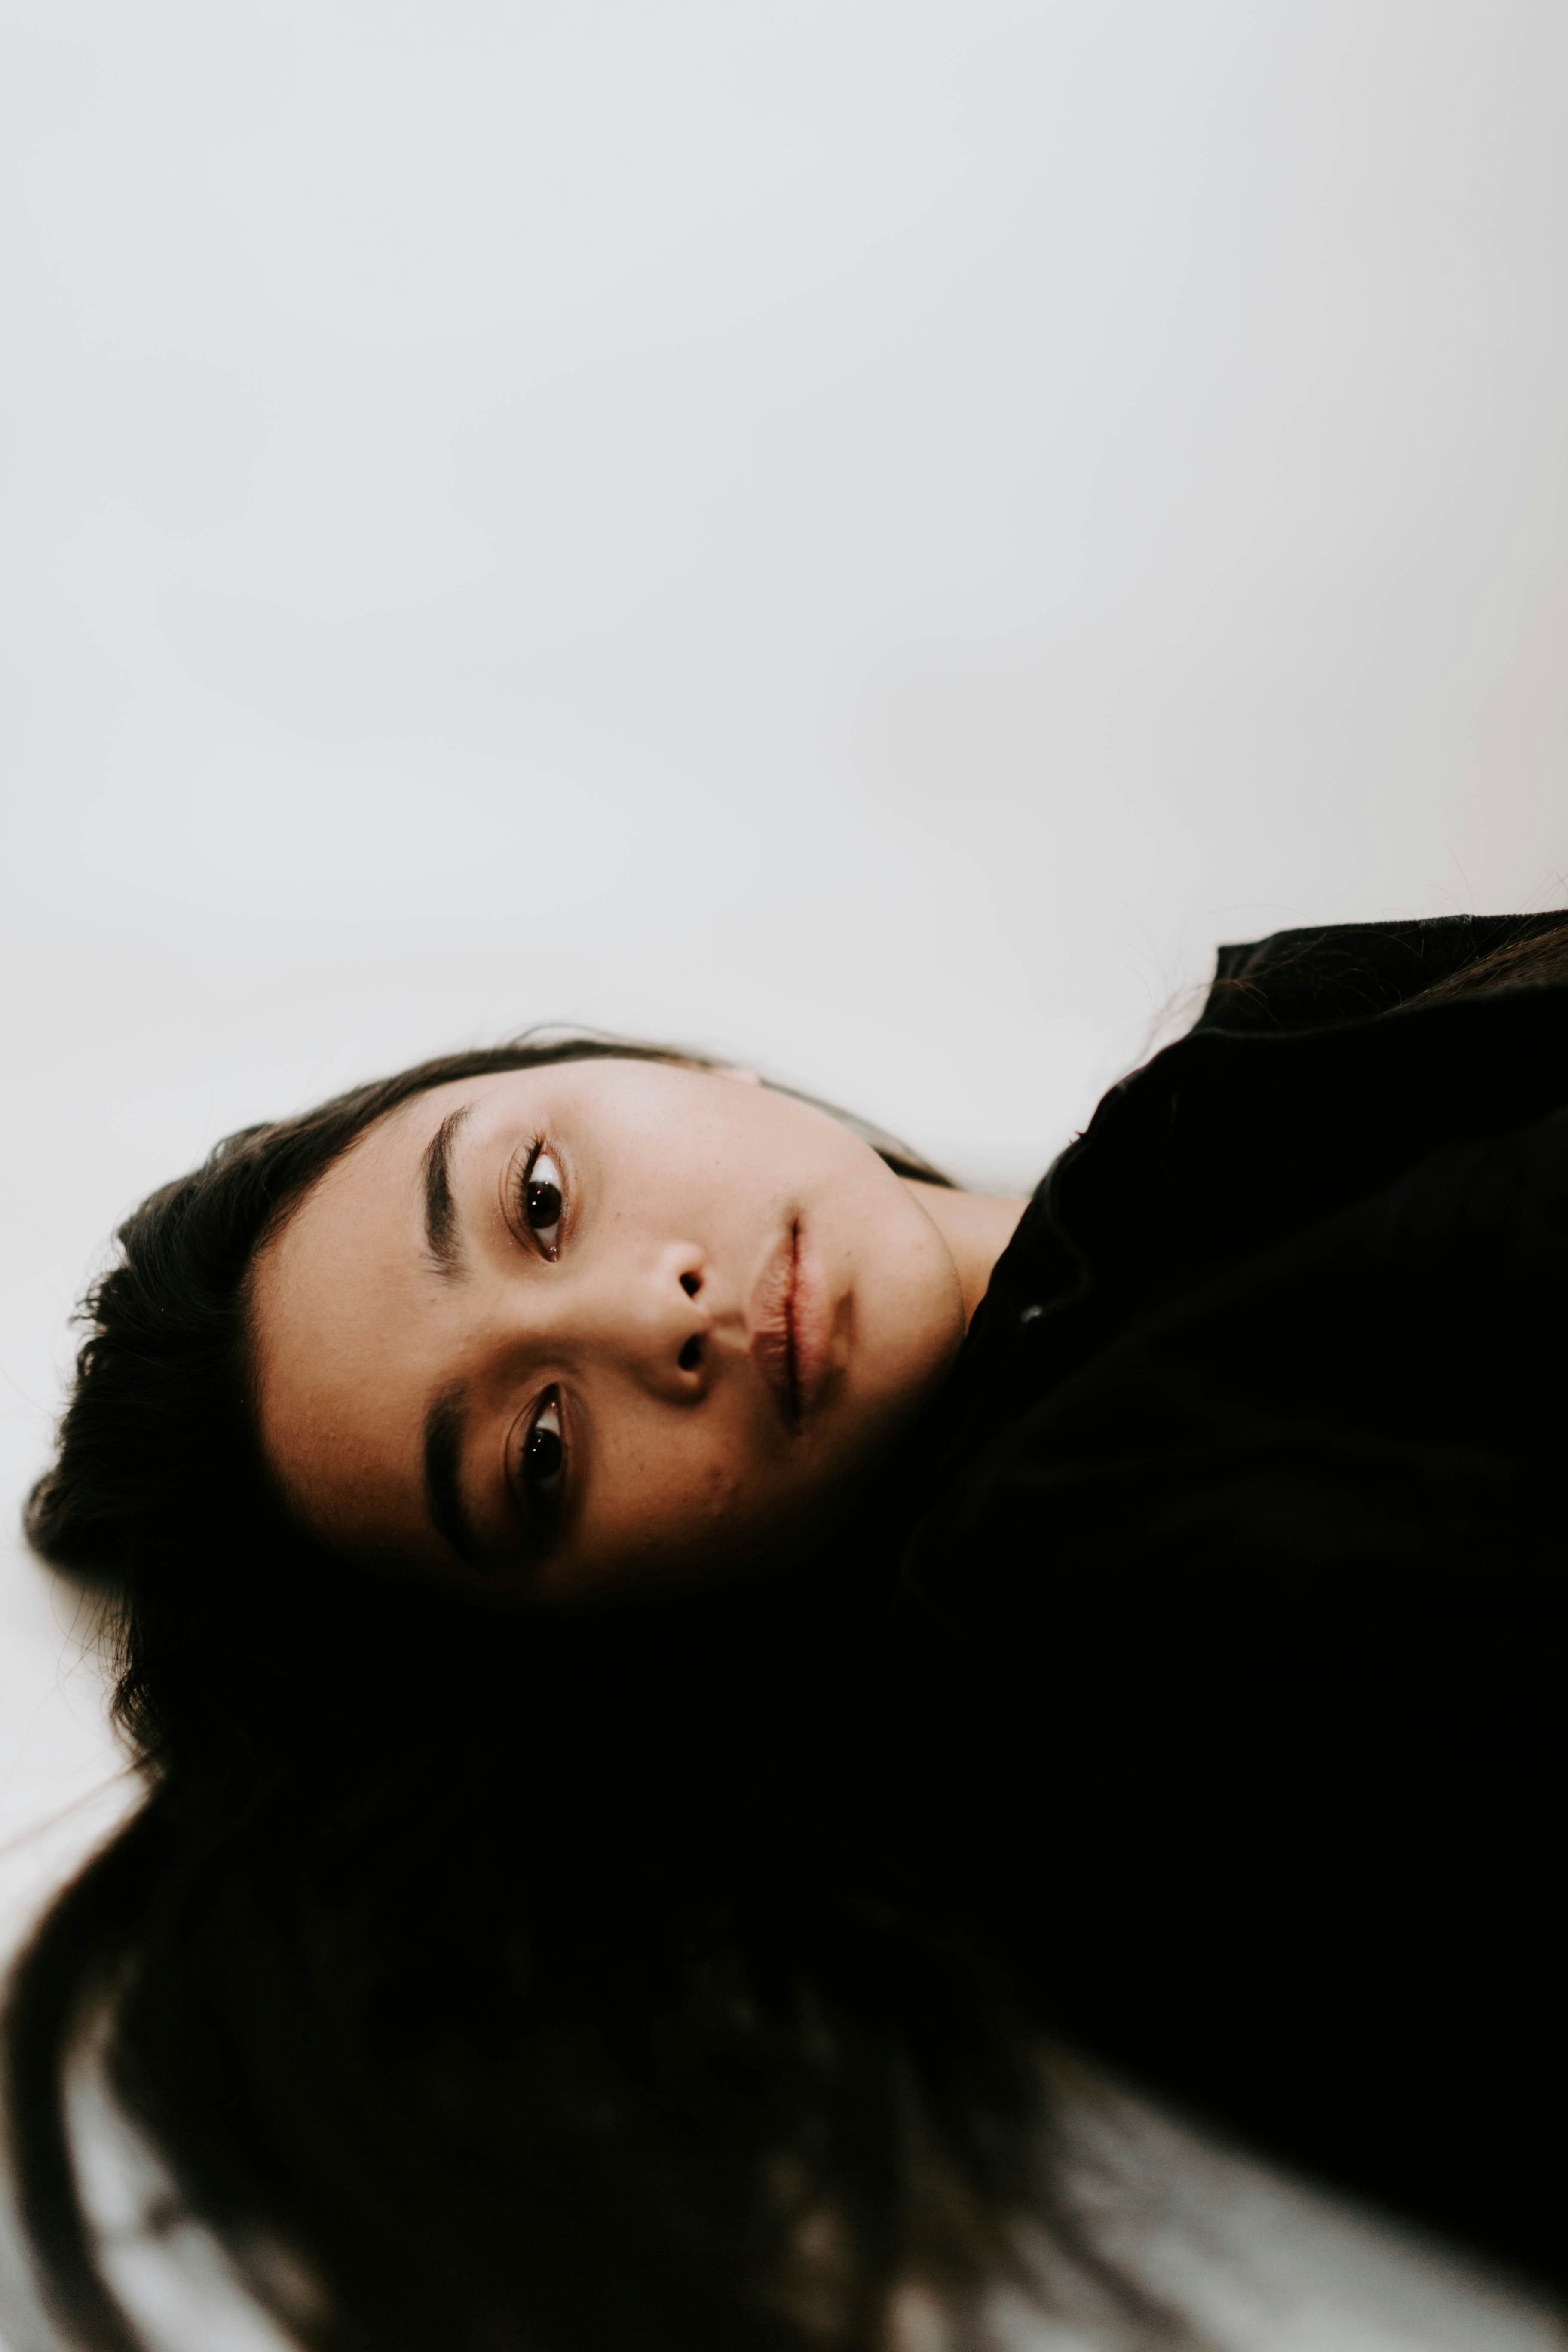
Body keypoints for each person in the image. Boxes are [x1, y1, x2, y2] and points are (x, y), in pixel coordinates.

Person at [8, 913, 1568, 2352]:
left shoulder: (1268, 1037)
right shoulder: (1067, 1587)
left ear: (665, 1067)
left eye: (539, 1201)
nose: (656, 1315)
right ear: (606, 1634)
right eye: (539, 1454)